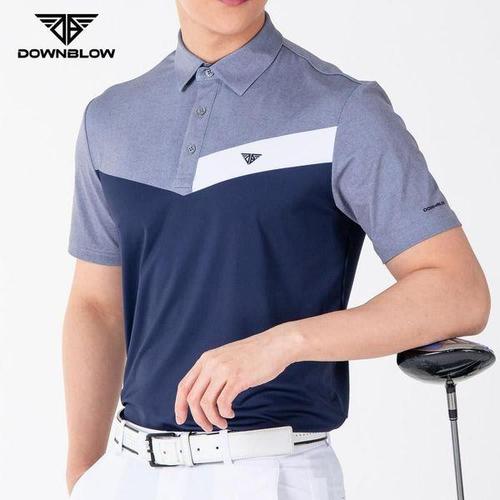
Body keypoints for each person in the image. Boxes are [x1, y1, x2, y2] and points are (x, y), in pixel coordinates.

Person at [63, 1, 490, 498]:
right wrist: (83, 474)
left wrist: (284, 343)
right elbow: (96, 306)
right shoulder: (109, 119)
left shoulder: (346, 110)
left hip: (269, 472)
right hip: (128, 471)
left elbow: (459, 292)